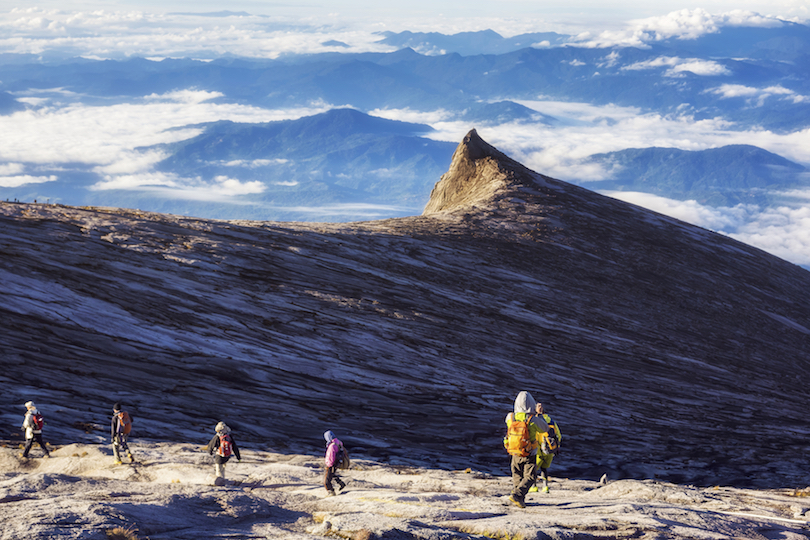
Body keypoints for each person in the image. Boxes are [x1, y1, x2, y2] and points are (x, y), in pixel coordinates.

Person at [504, 391, 548, 508]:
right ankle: (518, 496)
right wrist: (539, 414)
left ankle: (519, 497)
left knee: (517, 474)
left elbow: (508, 424)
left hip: (514, 451)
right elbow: (545, 428)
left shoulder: (510, 417)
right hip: (529, 453)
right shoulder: (532, 419)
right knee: (530, 477)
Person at [529, 402, 562, 493]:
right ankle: (545, 487)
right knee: (544, 468)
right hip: (550, 448)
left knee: (534, 468)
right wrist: (557, 446)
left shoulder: (536, 421)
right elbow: (558, 435)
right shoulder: (551, 421)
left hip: (539, 448)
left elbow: (534, 434)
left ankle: (534, 486)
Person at [323, 430, 348, 496]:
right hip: (337, 463)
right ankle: (341, 483)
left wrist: (329, 465)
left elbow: (331, 456)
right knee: (332, 475)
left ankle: (331, 492)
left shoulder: (332, 446)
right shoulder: (339, 442)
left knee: (326, 481)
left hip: (332, 464)